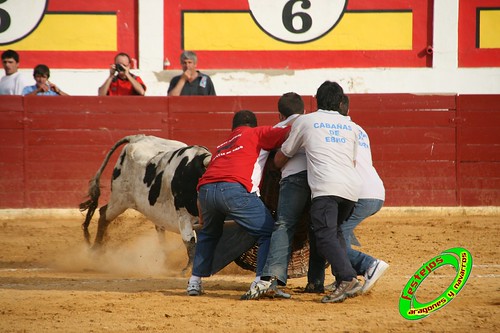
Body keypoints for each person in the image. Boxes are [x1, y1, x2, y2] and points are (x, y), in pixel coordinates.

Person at [273, 81, 363, 303]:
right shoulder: (351, 126)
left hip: (326, 187)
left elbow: (285, 153)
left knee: (323, 236)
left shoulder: (307, 121)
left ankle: (348, 278)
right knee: (336, 232)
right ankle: (342, 277)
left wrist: (277, 163)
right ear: (341, 102)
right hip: (351, 189)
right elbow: (352, 159)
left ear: (316, 99)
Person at [186, 110, 289, 297]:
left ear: (233, 127)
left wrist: (202, 215)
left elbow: (205, 179)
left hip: (205, 192)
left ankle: (194, 282)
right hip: (233, 190)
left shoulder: (222, 145)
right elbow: (289, 131)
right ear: (253, 125)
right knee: (268, 231)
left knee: (208, 233)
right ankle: (260, 281)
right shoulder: (256, 133)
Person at [243, 92, 309, 300]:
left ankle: (270, 278)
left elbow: (272, 163)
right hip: (322, 183)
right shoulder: (313, 123)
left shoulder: (278, 130)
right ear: (304, 110)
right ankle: (320, 280)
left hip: (288, 186)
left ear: (280, 116)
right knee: (325, 229)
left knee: (282, 224)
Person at [322, 94, 389, 294]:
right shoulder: (359, 129)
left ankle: (369, 264)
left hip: (358, 192)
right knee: (341, 233)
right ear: (347, 110)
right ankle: (343, 277)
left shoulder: (331, 128)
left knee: (333, 238)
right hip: (375, 189)